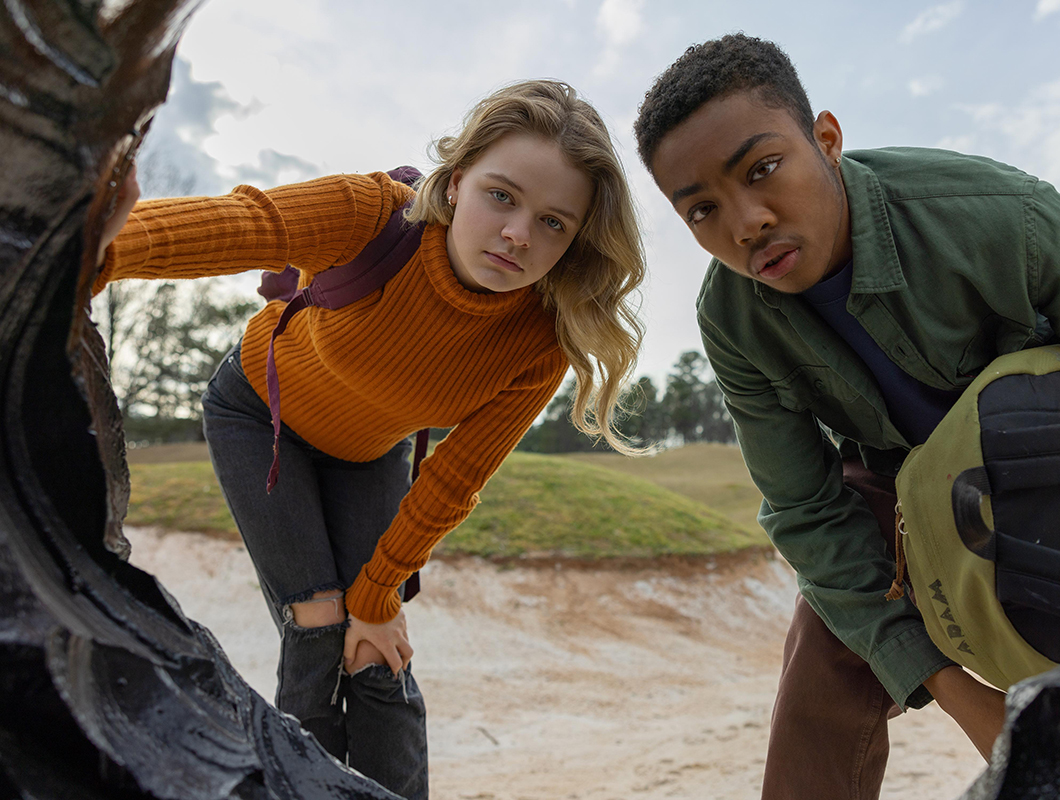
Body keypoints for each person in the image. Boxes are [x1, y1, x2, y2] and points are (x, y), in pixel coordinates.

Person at [632, 33, 1060, 800]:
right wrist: (962, 696)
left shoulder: (1003, 218)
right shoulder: (733, 321)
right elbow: (804, 511)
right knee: (827, 636)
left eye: (763, 170)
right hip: (907, 487)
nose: (746, 222)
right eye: (701, 210)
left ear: (826, 139)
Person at [94, 79, 646, 798]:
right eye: (502, 196)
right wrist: (86, 253)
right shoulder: (373, 215)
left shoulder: (542, 340)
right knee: (319, 625)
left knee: (376, 649)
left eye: (553, 223)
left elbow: (455, 477)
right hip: (259, 414)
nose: (518, 234)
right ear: (454, 183)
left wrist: (380, 591)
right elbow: (241, 224)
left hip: (367, 454)